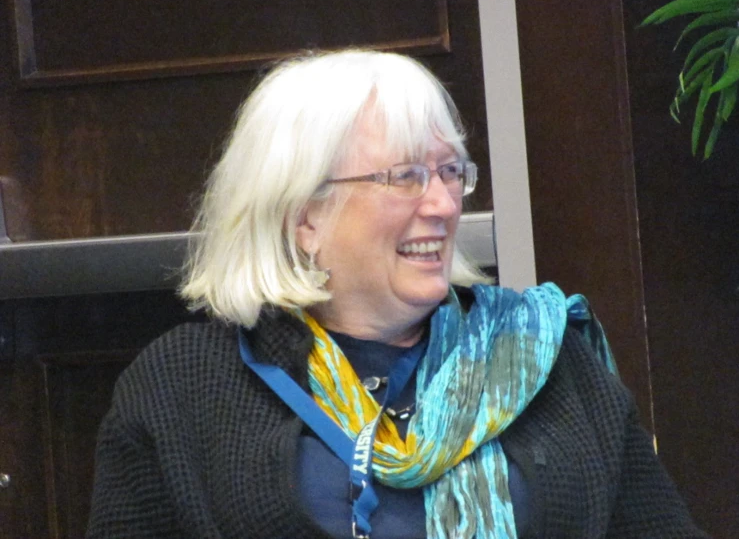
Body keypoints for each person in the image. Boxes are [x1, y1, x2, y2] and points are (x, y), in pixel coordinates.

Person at [86, 50, 707, 539]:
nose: (441, 205)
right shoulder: (184, 385)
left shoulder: (543, 357)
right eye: (404, 177)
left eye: (448, 172)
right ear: (304, 217)